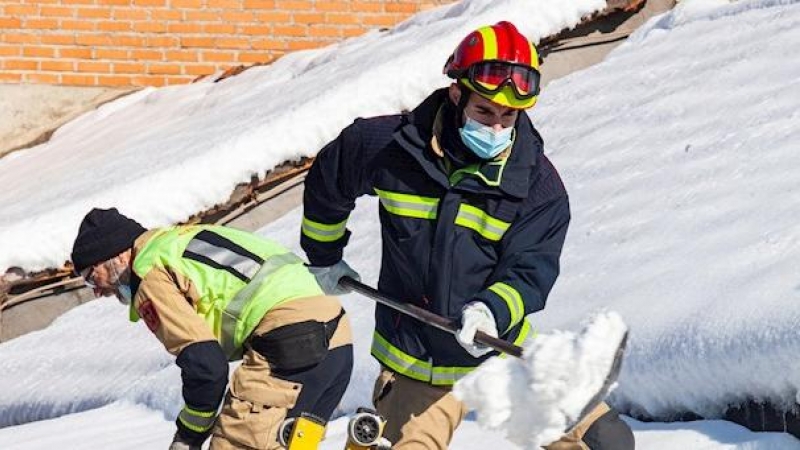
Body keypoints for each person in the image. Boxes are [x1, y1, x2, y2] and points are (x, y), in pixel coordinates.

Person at [300, 21, 634, 450]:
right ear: (457, 96)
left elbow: (529, 273)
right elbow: (332, 179)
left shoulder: (538, 190)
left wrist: (491, 311)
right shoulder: (389, 147)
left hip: (499, 352)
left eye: (508, 117)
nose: (496, 129)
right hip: (417, 360)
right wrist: (324, 254)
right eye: (484, 113)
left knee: (607, 441)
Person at [70, 207, 353, 450]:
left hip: (289, 346)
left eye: (91, 278)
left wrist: (189, 434)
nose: (97, 291)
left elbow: (206, 366)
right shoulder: (185, 238)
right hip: (335, 342)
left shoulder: (149, 271)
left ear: (117, 256)